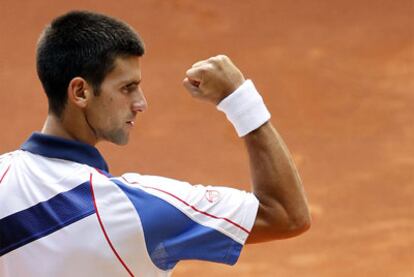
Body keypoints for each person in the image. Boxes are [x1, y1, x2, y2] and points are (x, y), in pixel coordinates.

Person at [0, 10, 310, 277]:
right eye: (127, 88)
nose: (141, 103)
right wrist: (239, 99)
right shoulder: (133, 209)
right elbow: (284, 214)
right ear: (80, 92)